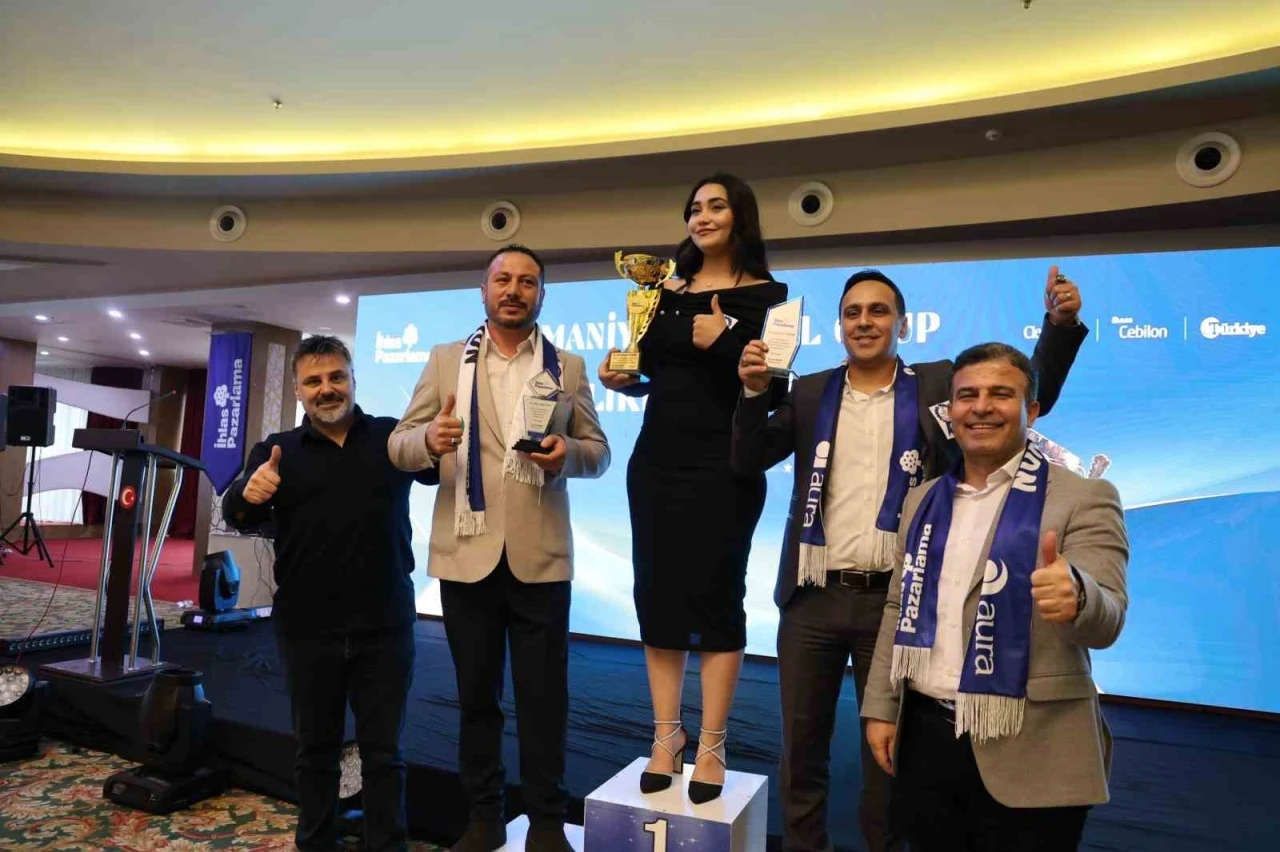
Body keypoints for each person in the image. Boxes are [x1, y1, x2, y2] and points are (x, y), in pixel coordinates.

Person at [732, 268, 1088, 852]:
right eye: (852, 312)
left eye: (878, 311)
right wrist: (752, 394)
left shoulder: (938, 384)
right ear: (839, 326)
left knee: (890, 755)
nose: (864, 322)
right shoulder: (811, 390)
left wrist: (1060, 326)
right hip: (812, 599)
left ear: (902, 324)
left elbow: (1025, 387)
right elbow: (748, 460)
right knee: (801, 750)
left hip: (902, 600)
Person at [861, 342, 1129, 852]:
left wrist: (1078, 595)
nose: (981, 407)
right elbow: (897, 608)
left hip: (1034, 745)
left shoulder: (1085, 497)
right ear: (951, 411)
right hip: (925, 739)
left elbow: (1109, 618)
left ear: (1031, 410)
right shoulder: (922, 500)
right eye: (967, 396)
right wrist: (880, 706)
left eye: (1000, 394)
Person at [389, 245, 610, 852]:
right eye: (503, 279)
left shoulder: (568, 367)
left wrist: (569, 455)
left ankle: (546, 823)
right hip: (467, 557)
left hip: (542, 560)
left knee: (544, 702)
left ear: (542, 295)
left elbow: (598, 452)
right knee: (476, 700)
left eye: (527, 282)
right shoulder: (444, 361)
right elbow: (398, 444)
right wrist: (429, 440)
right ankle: (483, 819)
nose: (514, 290)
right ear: (483, 291)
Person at [597, 173, 789, 804]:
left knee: (717, 599)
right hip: (656, 461)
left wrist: (726, 339)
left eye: (716, 206)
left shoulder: (771, 297)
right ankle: (666, 736)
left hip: (726, 466)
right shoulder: (663, 290)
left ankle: (712, 742)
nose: (702, 217)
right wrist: (626, 378)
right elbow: (662, 373)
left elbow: (776, 388)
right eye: (694, 209)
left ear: (740, 217)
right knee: (656, 597)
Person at [222, 335, 432, 852]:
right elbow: (237, 512)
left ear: (354, 380)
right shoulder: (277, 450)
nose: (326, 388)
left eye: (336, 376)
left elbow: (436, 466)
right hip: (307, 627)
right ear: (298, 390)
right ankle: (315, 843)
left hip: (385, 623)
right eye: (313, 381)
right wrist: (247, 493)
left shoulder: (391, 437)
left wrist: (440, 436)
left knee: (384, 753)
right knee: (314, 751)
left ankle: (387, 846)